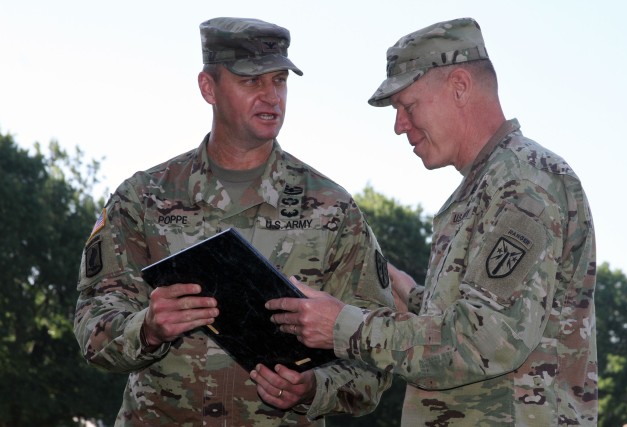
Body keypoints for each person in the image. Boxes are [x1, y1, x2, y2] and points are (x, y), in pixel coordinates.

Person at [267, 17, 598, 426]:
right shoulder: (488, 184)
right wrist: (410, 293)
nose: (398, 126)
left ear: (459, 86)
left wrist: (343, 325)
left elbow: (486, 340)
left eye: (408, 106)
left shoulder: (523, 182)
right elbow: (486, 313)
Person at [73, 17, 394, 426]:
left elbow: (375, 357)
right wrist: (148, 328)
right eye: (251, 82)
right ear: (208, 87)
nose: (271, 96)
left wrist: (315, 387)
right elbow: (92, 327)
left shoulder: (333, 209)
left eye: (279, 80)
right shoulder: (142, 199)